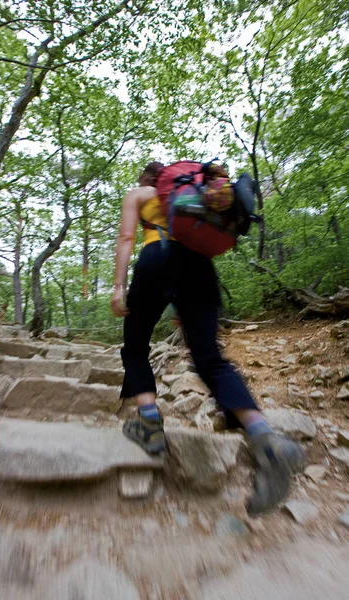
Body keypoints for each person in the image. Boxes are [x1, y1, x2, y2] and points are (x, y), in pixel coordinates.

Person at [111, 161, 304, 516]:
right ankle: (265, 438)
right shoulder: (191, 198)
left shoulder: (138, 195)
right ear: (170, 180)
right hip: (198, 265)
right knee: (210, 359)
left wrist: (119, 287)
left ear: (146, 179)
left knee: (136, 346)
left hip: (155, 259)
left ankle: (149, 423)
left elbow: (126, 238)